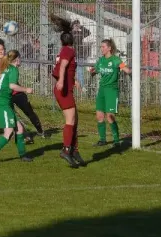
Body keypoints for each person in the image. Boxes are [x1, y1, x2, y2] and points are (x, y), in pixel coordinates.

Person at [0, 38, 46, 142]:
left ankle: (40, 131)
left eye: (2, 49)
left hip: (17, 93)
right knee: (12, 116)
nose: (1, 51)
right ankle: (24, 136)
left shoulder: (9, 63)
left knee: (29, 112)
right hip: (7, 95)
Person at [0, 50, 34, 163]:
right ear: (17, 59)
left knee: (19, 129)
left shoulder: (5, 68)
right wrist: (26, 89)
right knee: (9, 132)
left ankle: (23, 155)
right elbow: (12, 86)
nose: (21, 60)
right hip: (2, 104)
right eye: (20, 58)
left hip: (4, 102)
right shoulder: (13, 69)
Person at [50, 14, 85, 168]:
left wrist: (74, 80)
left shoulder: (65, 50)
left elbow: (65, 68)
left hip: (65, 87)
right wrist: (62, 81)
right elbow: (63, 66)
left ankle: (74, 150)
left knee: (74, 120)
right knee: (70, 121)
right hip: (63, 89)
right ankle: (66, 150)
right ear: (72, 40)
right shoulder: (69, 50)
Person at [89, 39, 132, 147]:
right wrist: (93, 72)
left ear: (109, 48)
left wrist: (129, 71)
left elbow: (126, 69)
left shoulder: (116, 60)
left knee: (110, 116)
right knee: (99, 115)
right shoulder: (101, 60)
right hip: (102, 90)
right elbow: (96, 70)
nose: (101, 49)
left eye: (103, 47)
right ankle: (102, 140)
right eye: (101, 47)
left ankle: (117, 141)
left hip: (112, 90)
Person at [71, 19, 90, 90]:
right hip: (71, 55)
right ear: (72, 26)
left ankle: (81, 87)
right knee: (70, 71)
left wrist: (81, 27)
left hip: (80, 55)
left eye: (77, 25)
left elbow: (88, 32)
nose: (76, 27)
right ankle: (71, 85)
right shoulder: (70, 34)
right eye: (75, 25)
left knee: (80, 72)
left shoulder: (80, 34)